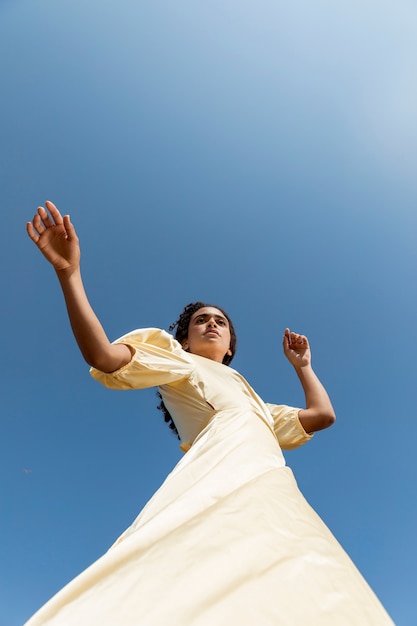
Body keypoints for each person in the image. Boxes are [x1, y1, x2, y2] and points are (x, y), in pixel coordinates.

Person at [25, 201, 394, 625]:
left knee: (303, 580)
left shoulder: (257, 403)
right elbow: (104, 356)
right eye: (201, 320)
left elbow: (323, 414)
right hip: (217, 478)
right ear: (185, 338)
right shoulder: (177, 360)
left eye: (220, 321)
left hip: (271, 484)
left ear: (231, 346)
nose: (212, 324)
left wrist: (304, 367)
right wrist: (68, 274)